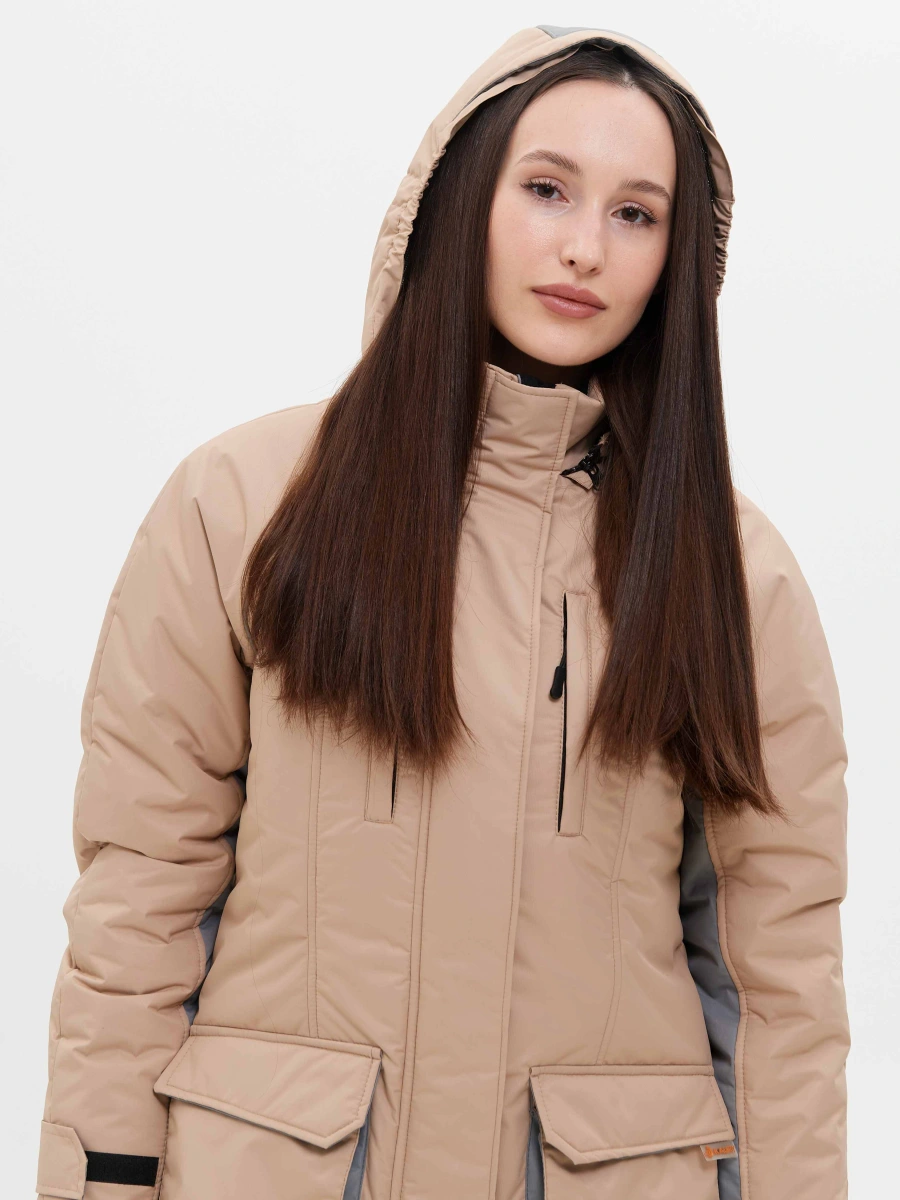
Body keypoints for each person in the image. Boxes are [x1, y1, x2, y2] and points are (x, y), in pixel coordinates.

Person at [33, 26, 849, 1200]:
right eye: (548, 188)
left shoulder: (730, 572)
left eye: (636, 214)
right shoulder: (247, 504)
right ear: (461, 196)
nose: (584, 247)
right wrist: (103, 1183)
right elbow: (142, 901)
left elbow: (779, 984)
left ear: (677, 258)